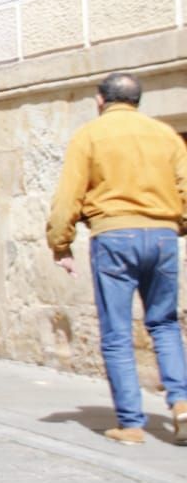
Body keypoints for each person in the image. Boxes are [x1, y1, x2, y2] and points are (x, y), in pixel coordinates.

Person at [47, 72, 187, 446]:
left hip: (114, 235)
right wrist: (176, 226)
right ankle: (182, 403)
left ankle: (131, 424)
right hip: (162, 236)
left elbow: (67, 198)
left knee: (117, 332)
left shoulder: (89, 136)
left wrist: (61, 244)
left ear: (99, 100)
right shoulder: (166, 136)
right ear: (138, 100)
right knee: (165, 323)